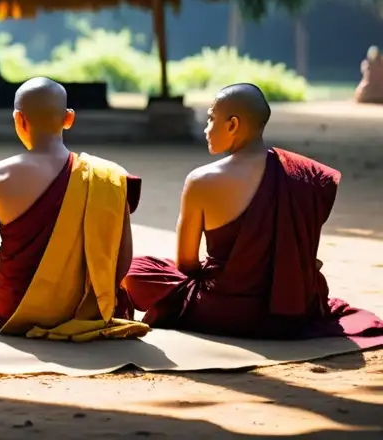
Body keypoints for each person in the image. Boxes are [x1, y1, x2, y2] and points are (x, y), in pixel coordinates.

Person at [124, 83, 383, 339]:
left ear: (233, 124)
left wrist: (227, 275)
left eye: (211, 119)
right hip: (289, 309)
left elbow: (186, 263)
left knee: (134, 269)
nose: (206, 128)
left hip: (219, 309)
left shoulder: (200, 180)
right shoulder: (303, 174)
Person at [0, 78, 146, 340]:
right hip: (85, 308)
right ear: (69, 119)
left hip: (12, 306)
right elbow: (122, 264)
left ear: (19, 120)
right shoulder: (109, 177)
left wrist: (15, 282)